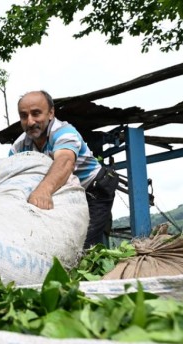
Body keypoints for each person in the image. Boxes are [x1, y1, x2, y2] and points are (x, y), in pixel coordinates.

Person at [9, 90, 118, 248]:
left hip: (95, 188)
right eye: (24, 116)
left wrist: (44, 190)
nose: (30, 122)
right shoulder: (20, 146)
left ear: (51, 113)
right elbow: (9, 172)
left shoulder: (64, 133)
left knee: (83, 245)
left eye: (36, 113)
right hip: (65, 192)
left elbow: (65, 161)